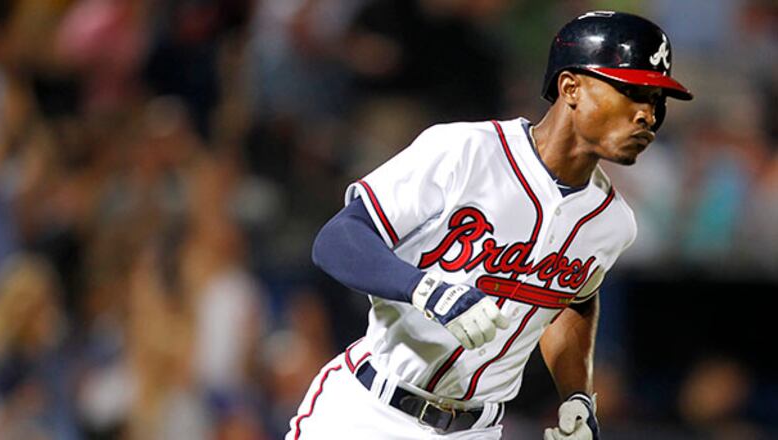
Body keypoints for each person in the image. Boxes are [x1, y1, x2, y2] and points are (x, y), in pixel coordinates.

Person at [285, 10, 692, 440]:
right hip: (369, 410)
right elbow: (338, 238)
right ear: (570, 87)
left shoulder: (612, 222)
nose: (647, 115)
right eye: (632, 92)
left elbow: (573, 302)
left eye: (656, 100)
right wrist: (425, 290)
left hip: (475, 429)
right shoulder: (467, 151)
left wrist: (576, 395)